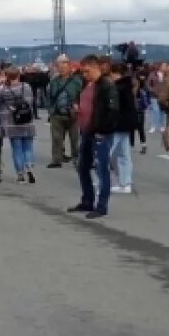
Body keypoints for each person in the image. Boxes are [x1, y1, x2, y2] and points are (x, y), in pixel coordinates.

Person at [68, 55, 118, 220]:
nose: (84, 74)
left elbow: (112, 111)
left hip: (100, 133)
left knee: (101, 169)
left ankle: (102, 205)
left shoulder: (106, 85)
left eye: (87, 71)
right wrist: (76, 107)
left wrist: (103, 130)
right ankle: (87, 200)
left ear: (95, 67)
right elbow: (83, 101)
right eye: (83, 71)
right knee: (83, 167)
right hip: (86, 131)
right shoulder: (87, 84)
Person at [0, 67, 36, 184]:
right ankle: (29, 166)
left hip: (12, 124)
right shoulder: (26, 87)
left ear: (7, 76)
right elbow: (30, 102)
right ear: (19, 75)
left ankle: (20, 174)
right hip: (27, 122)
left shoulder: (4, 90)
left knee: (17, 149)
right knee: (28, 148)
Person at [45, 56, 83, 168]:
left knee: (75, 139)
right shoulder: (53, 82)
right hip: (57, 114)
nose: (62, 69)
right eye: (60, 67)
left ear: (69, 67)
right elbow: (49, 97)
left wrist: (79, 106)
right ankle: (56, 160)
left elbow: (82, 95)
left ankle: (77, 158)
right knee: (56, 139)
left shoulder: (77, 81)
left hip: (73, 114)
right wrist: (50, 110)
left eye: (64, 67)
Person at [108, 63, 136, 194]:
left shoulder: (118, 88)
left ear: (115, 73)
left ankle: (105, 182)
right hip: (127, 123)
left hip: (118, 124)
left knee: (106, 152)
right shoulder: (128, 86)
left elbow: (114, 108)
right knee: (124, 154)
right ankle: (125, 183)